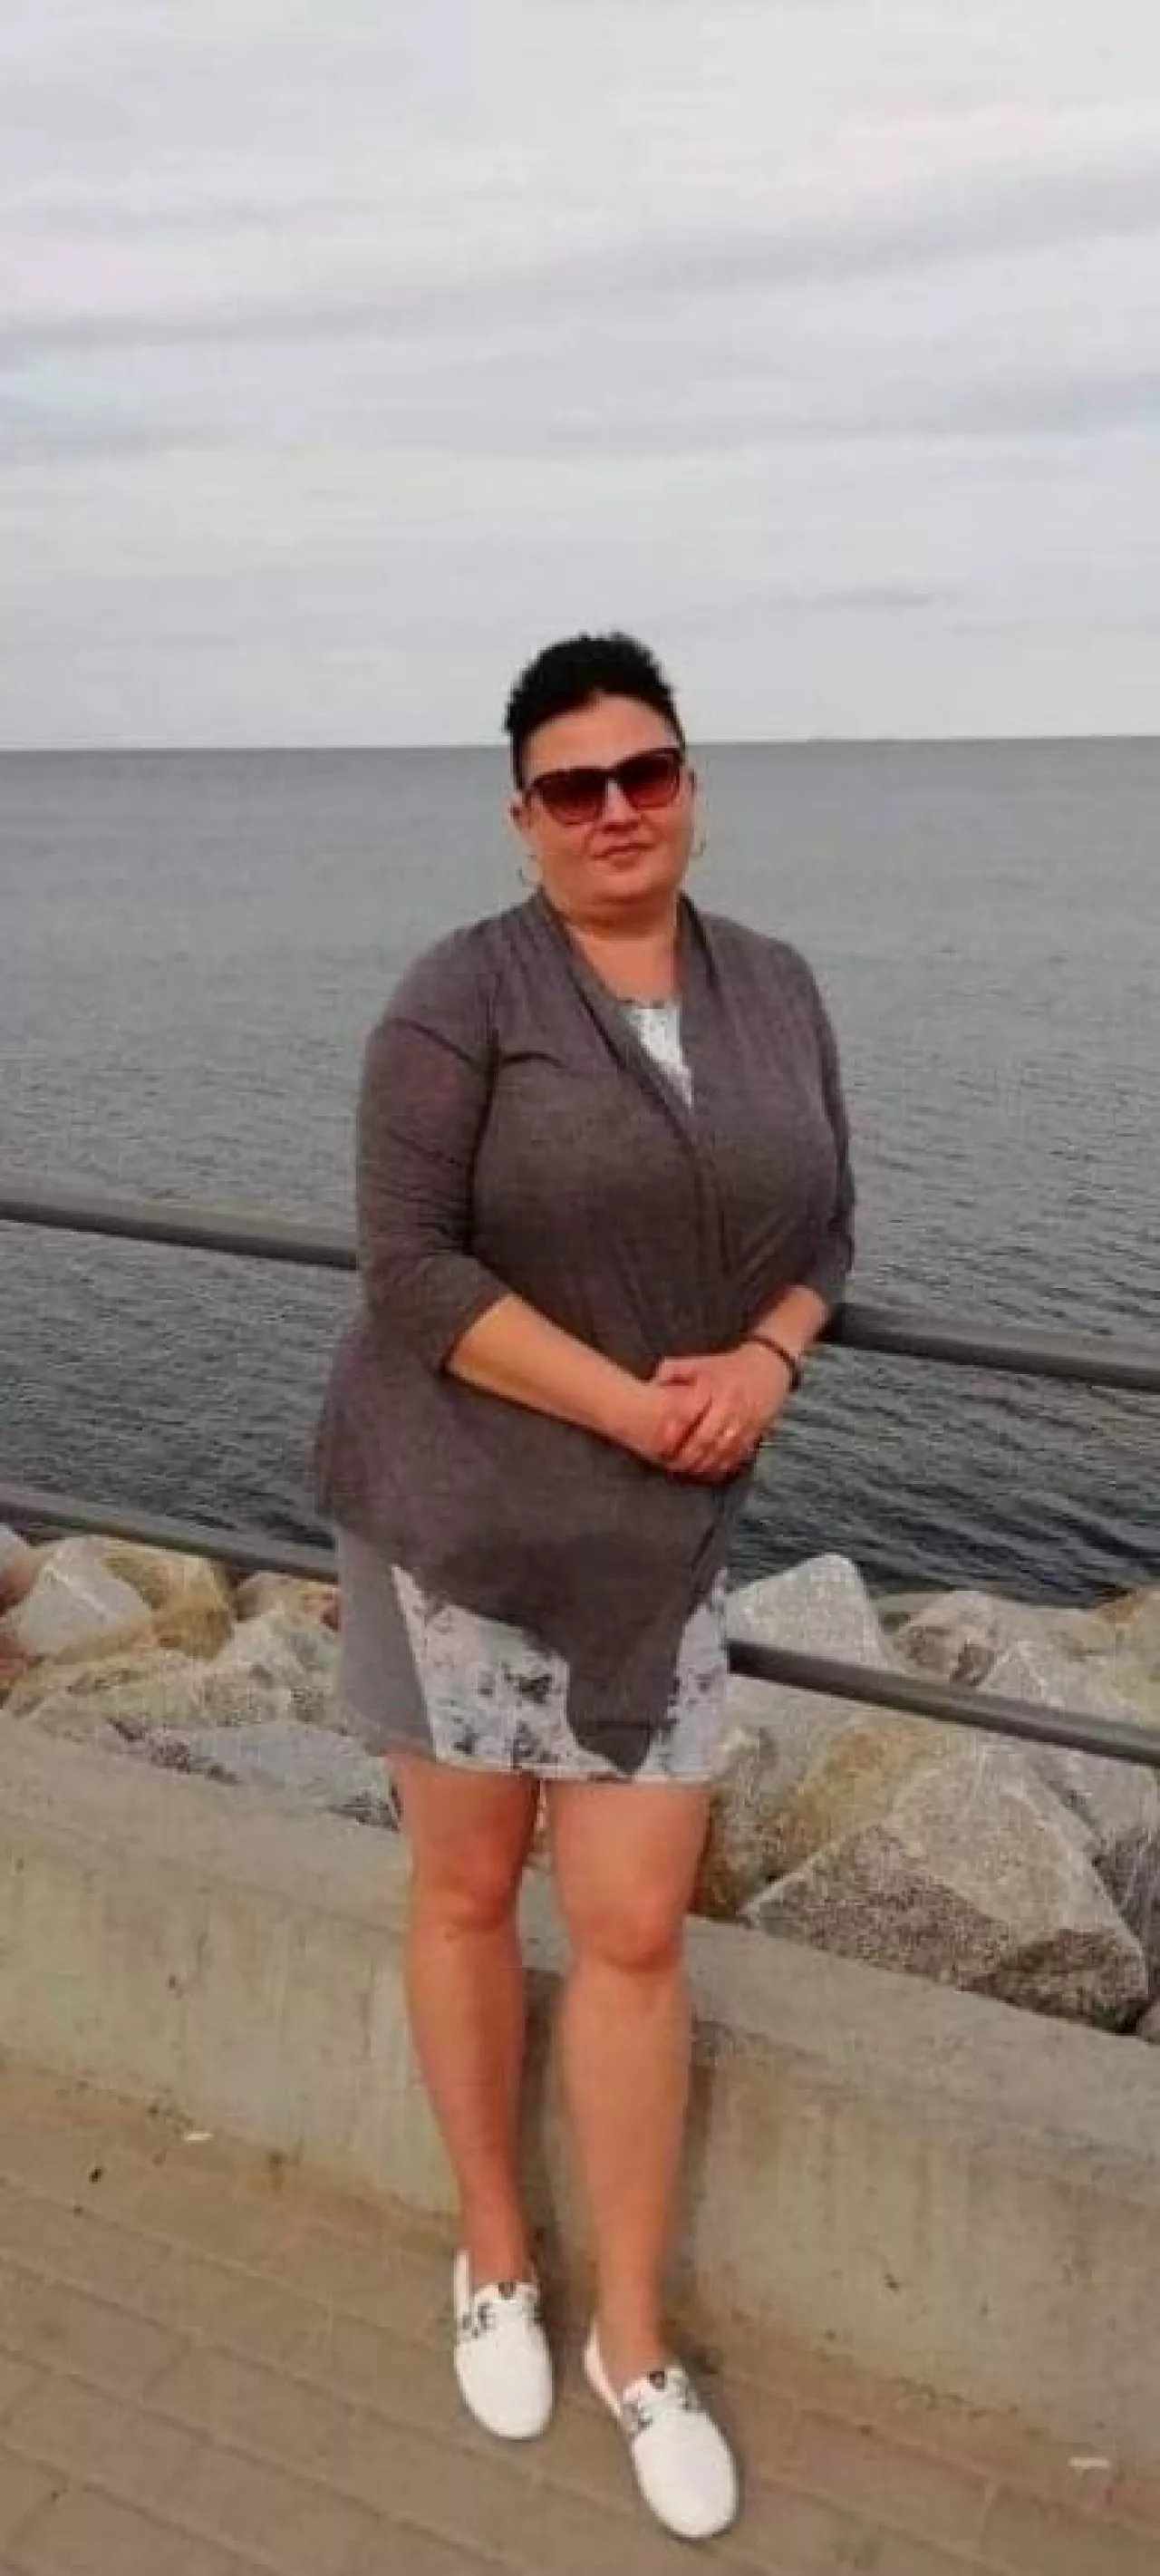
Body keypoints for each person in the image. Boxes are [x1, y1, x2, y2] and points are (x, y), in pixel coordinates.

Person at [312, 632, 855, 2543]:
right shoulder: (457, 995)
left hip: (656, 1537)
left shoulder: (775, 986)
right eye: (574, 785)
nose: (616, 809)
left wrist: (771, 1354)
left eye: (647, 771)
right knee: (468, 1889)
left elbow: (829, 1225)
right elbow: (411, 1270)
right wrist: (635, 1403)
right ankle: (493, 2252)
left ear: (692, 784)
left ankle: (635, 2336)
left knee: (631, 1926)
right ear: (522, 816)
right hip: (455, 1514)